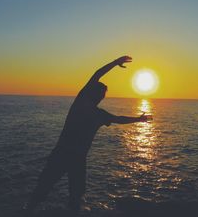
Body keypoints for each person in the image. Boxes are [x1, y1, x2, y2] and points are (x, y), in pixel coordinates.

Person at [23, 56, 152, 215]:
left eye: (103, 94)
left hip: (76, 158)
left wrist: (138, 119)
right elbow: (97, 75)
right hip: (64, 154)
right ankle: (28, 211)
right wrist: (114, 63)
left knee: (72, 193)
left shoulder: (96, 113)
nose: (102, 96)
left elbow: (118, 119)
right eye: (101, 93)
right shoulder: (83, 104)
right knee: (46, 186)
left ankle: (37, 210)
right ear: (95, 94)